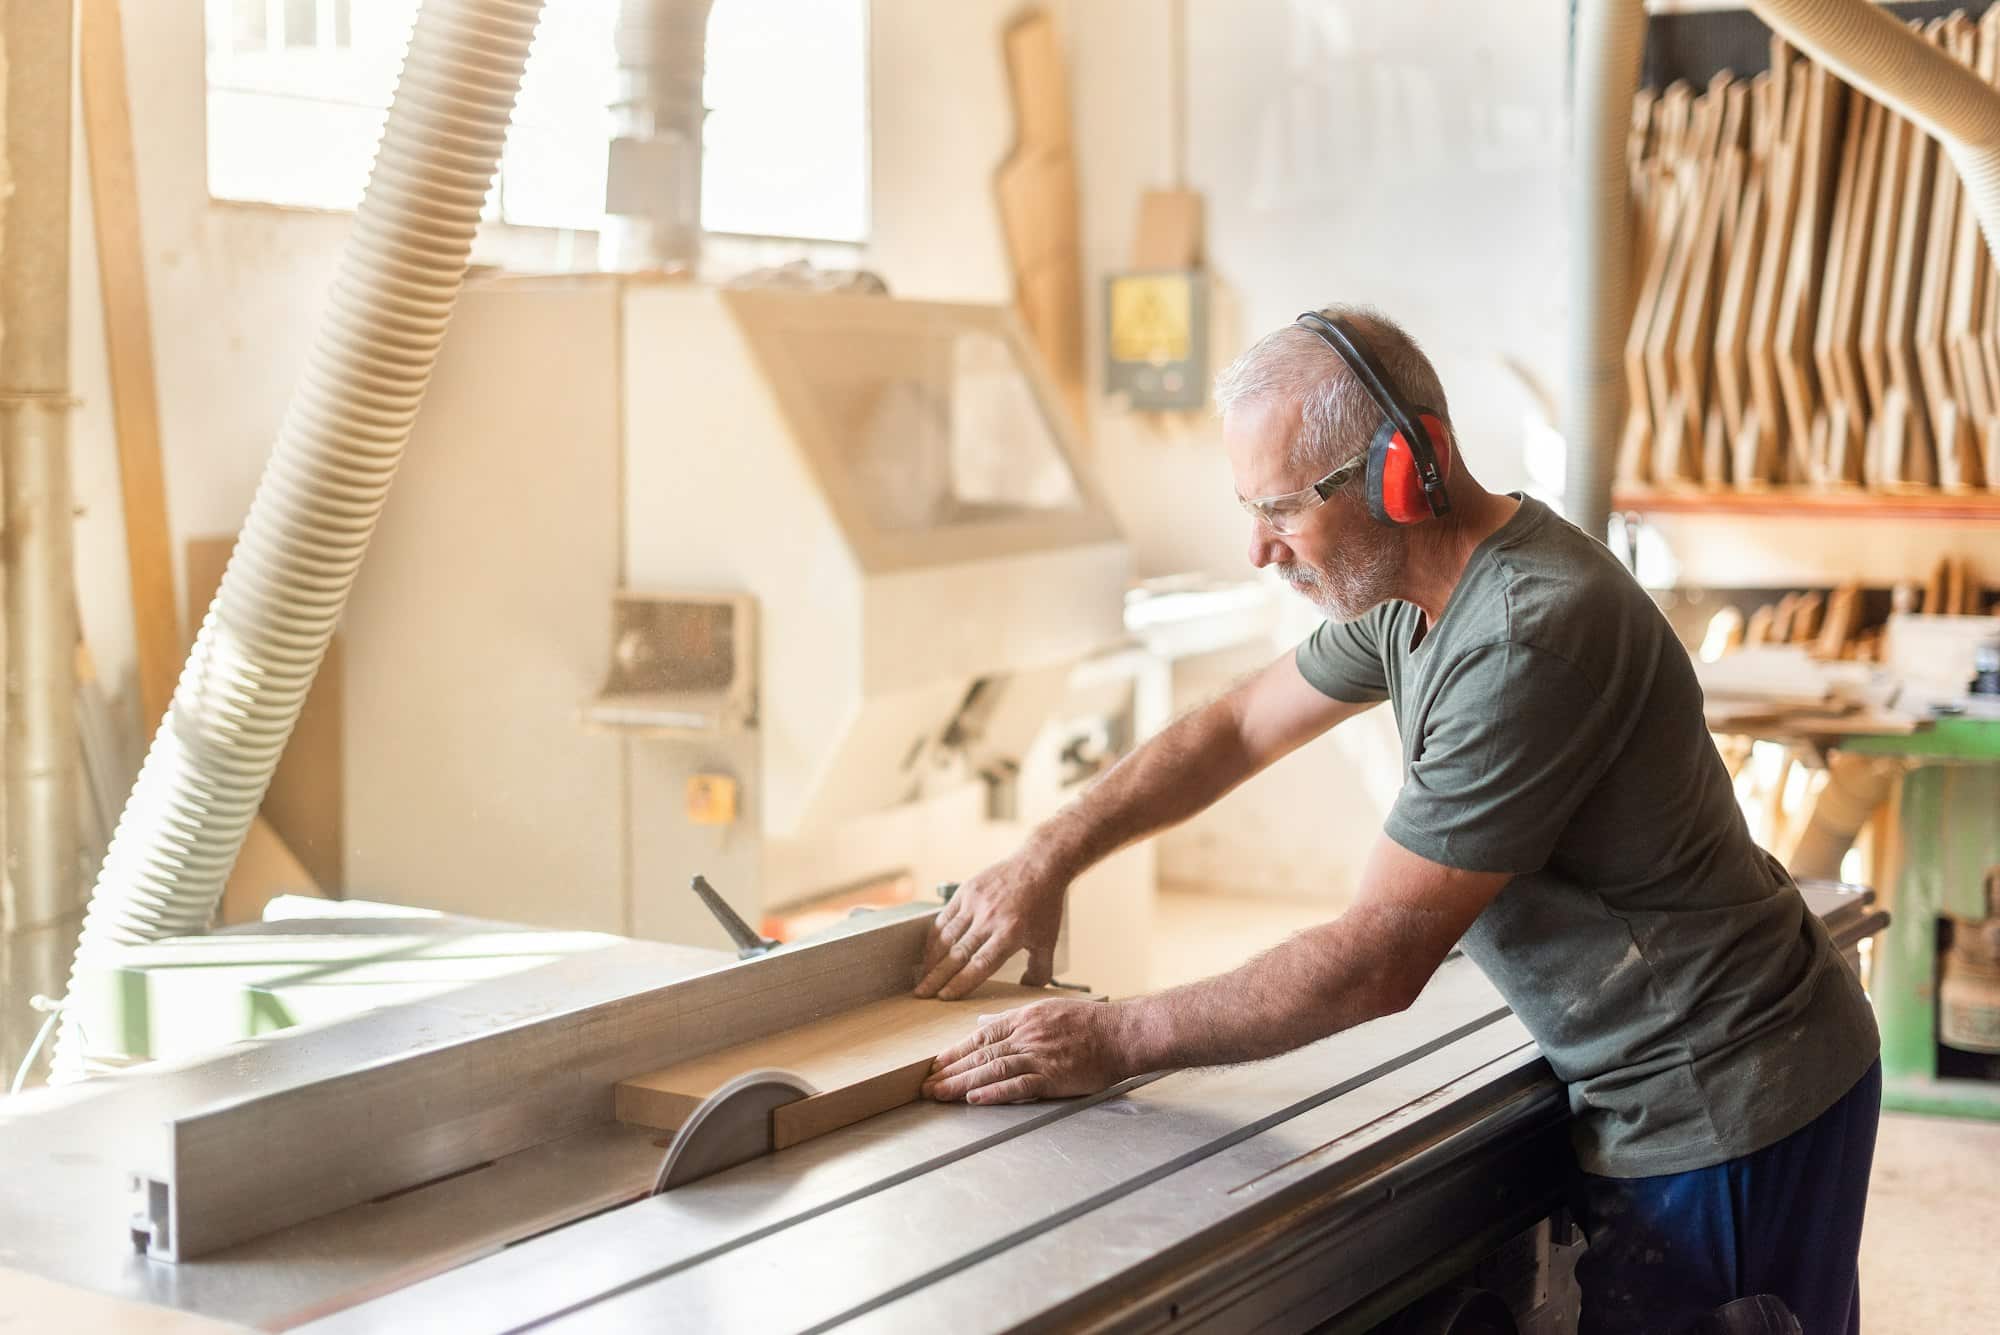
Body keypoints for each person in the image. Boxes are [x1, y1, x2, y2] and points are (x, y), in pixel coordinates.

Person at [915, 306, 1881, 1334]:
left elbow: (1373, 961)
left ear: (1406, 469)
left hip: (1723, 1093)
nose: (1257, 549)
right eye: (1249, 508)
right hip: (1648, 1073)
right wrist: (1048, 856)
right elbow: (1238, 727)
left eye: (1282, 507)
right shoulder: (1406, 591)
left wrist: (1113, 1038)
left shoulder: (1524, 634)